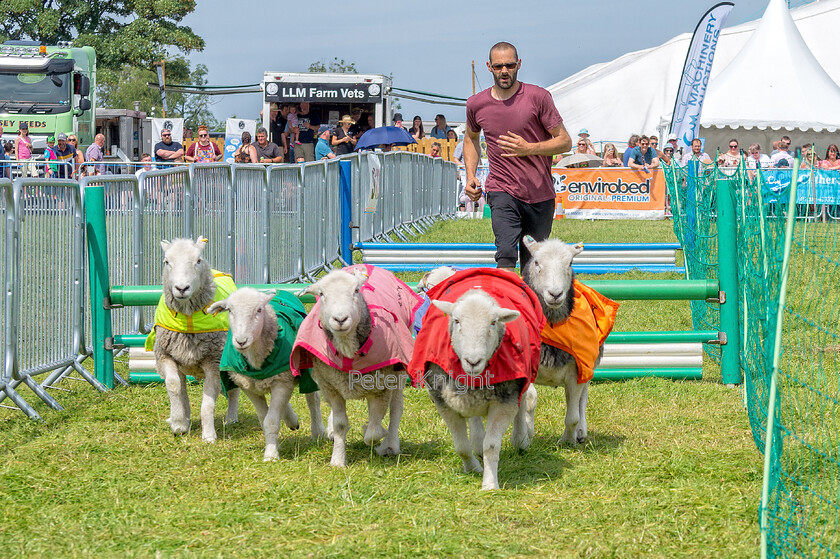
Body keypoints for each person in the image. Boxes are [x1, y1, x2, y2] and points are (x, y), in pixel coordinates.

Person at [464, 41, 571, 270]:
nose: (504, 71)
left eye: (510, 65)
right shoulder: (476, 104)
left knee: (534, 263)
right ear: (489, 67)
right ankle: (507, 304)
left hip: (539, 194)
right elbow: (471, 138)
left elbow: (565, 141)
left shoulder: (538, 97)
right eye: (499, 66)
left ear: (519, 65)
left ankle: (529, 304)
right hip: (502, 189)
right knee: (505, 252)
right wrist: (470, 175)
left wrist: (529, 148)